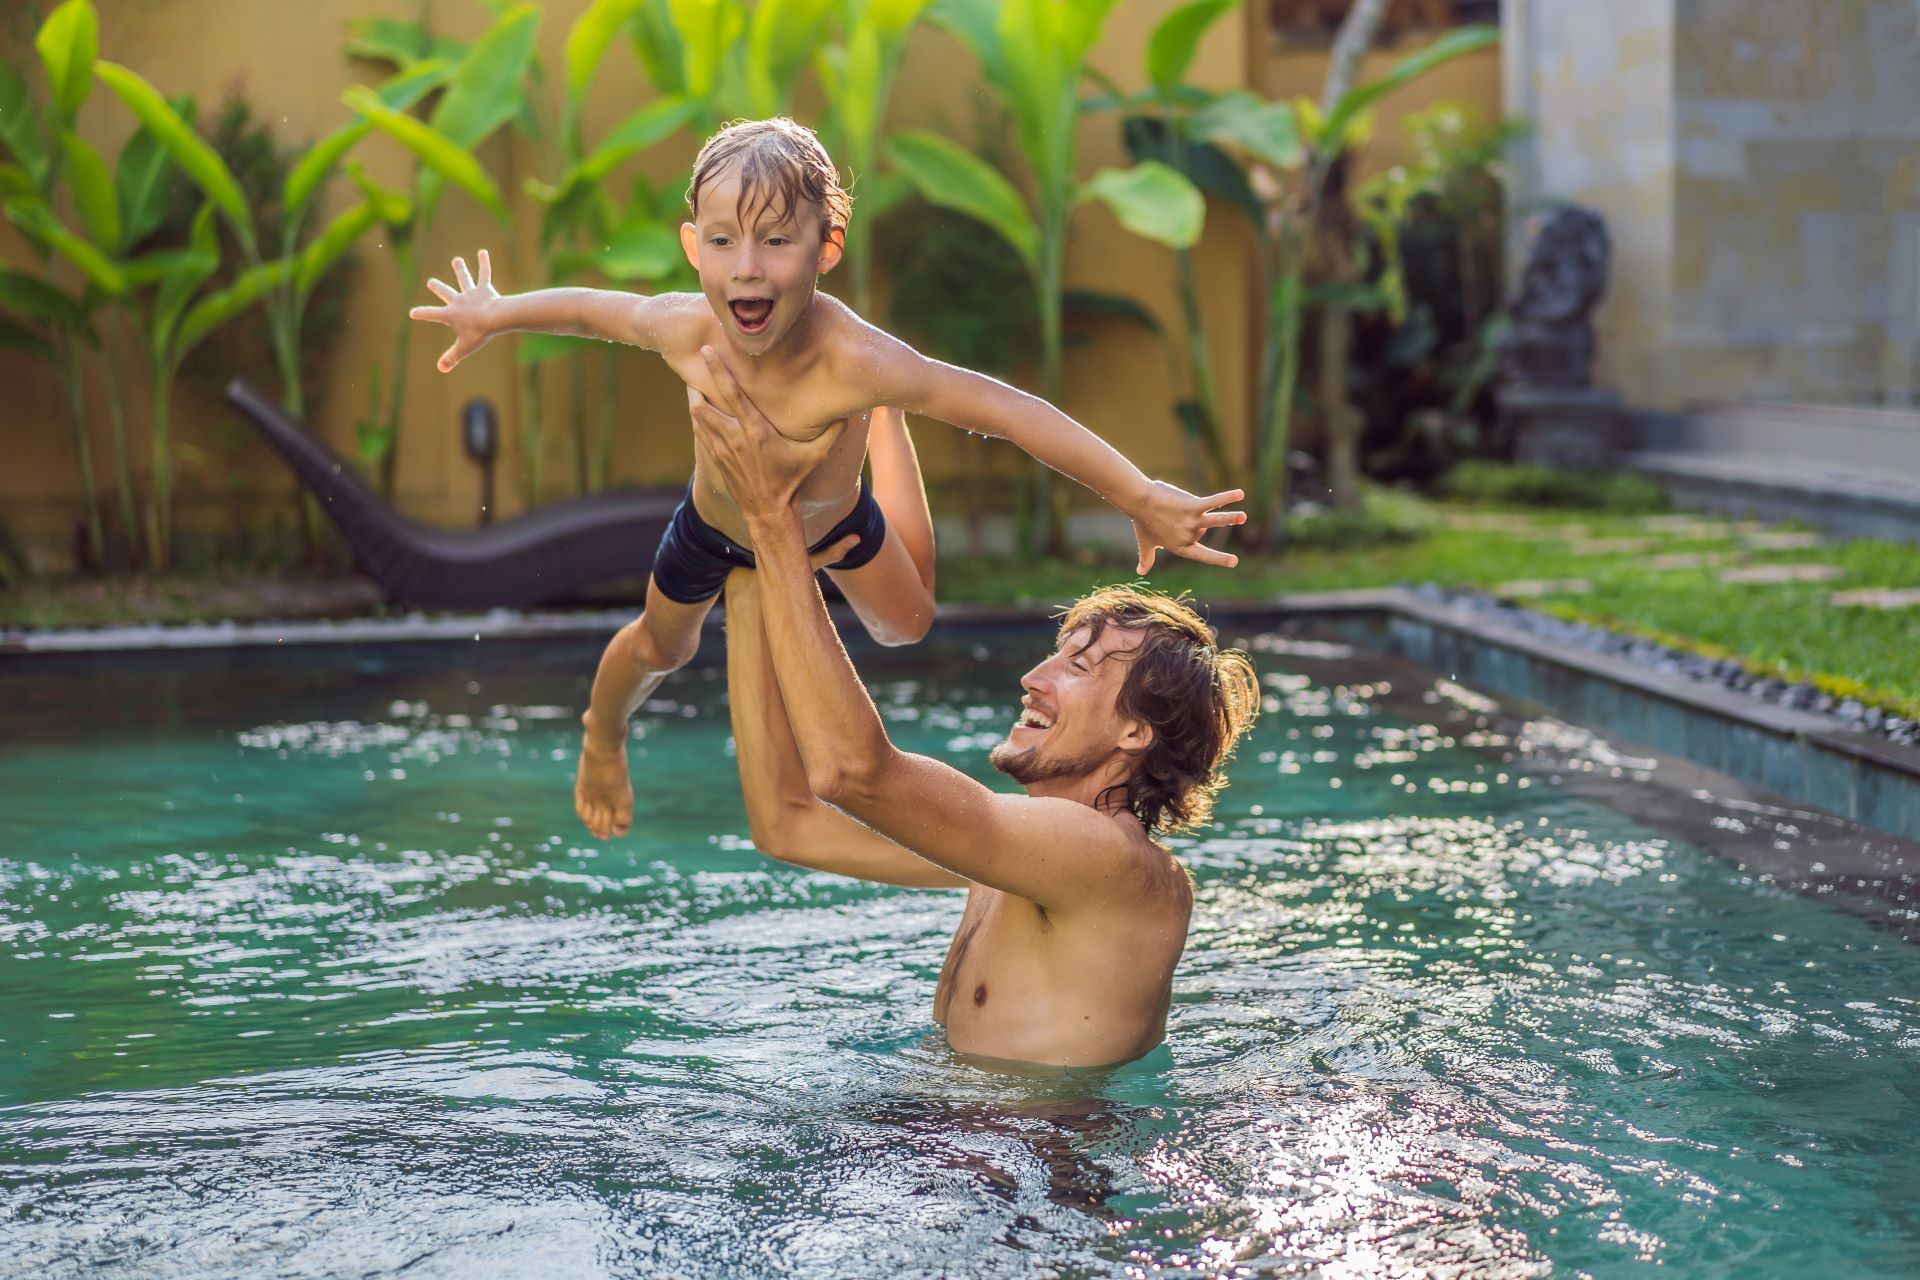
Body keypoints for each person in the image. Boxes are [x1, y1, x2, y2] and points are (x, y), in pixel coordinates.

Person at [407, 118, 1245, 842]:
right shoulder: (684, 328)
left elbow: (1011, 410)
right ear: (694, 245)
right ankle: (600, 732)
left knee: (908, 623)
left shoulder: (858, 358)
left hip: (832, 523)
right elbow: (592, 309)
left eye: (777, 241)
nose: (749, 268)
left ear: (825, 249)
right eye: (725, 241)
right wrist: (495, 311)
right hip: (712, 529)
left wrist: (1136, 492)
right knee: (663, 644)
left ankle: (884, 418)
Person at [697, 351, 1259, 1070]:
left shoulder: (1113, 864)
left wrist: (771, 521)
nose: (1033, 677)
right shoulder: (1016, 857)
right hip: (958, 1144)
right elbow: (788, 822)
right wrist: (748, 579)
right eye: (1055, 654)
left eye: (1078, 665)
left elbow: (852, 773)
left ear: (1135, 731)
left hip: (1031, 1168)